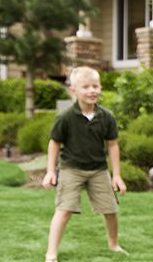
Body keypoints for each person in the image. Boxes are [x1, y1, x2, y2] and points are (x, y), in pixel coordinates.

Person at [42, 66, 127, 262]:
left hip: (99, 170)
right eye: (86, 87)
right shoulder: (65, 117)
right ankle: (51, 252)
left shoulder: (106, 117)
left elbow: (113, 145)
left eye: (95, 86)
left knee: (111, 210)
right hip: (71, 169)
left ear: (101, 88)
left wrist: (116, 175)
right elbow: (54, 143)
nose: (92, 90)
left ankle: (113, 245)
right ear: (73, 90)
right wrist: (50, 171)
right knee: (64, 209)